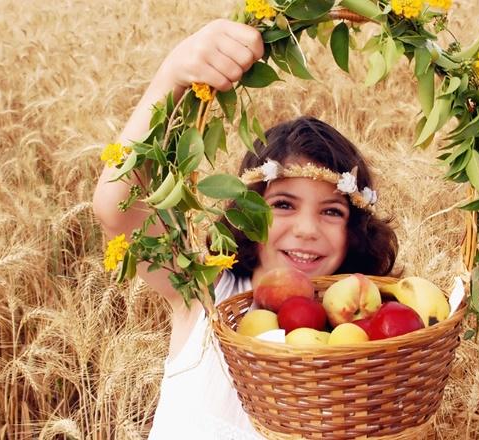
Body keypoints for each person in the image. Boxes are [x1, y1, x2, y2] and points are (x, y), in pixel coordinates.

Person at [93, 19, 398, 439]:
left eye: (332, 212)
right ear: (245, 213)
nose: (307, 229)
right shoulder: (205, 293)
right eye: (283, 205)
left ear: (356, 230)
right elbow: (117, 210)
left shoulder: (361, 336)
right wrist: (175, 74)